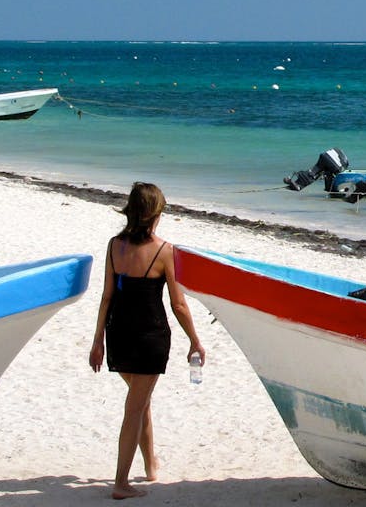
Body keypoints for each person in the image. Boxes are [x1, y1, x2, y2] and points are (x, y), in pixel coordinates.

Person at [89, 182, 204, 500]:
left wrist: (98, 341)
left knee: (141, 402)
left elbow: (107, 296)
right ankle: (121, 484)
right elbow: (178, 305)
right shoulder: (165, 251)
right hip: (149, 338)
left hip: (118, 336)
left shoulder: (114, 246)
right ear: (156, 214)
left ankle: (151, 465)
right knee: (135, 407)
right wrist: (195, 340)